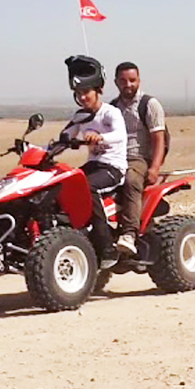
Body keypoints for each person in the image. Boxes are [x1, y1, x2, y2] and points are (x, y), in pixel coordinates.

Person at [58, 56, 128, 265]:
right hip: (93, 165)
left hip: (112, 167)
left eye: (86, 92)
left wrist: (100, 137)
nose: (82, 98)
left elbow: (120, 135)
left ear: (99, 90)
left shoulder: (110, 113)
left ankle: (106, 246)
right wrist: (38, 149)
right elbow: (65, 137)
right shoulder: (80, 116)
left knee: (87, 188)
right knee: (61, 186)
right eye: (78, 94)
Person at [110, 61, 168, 257]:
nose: (128, 85)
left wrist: (155, 168)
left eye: (132, 80)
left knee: (131, 180)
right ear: (116, 82)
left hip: (137, 158)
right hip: (113, 158)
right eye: (123, 81)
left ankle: (129, 234)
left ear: (139, 80)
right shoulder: (111, 108)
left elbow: (158, 139)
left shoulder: (149, 105)